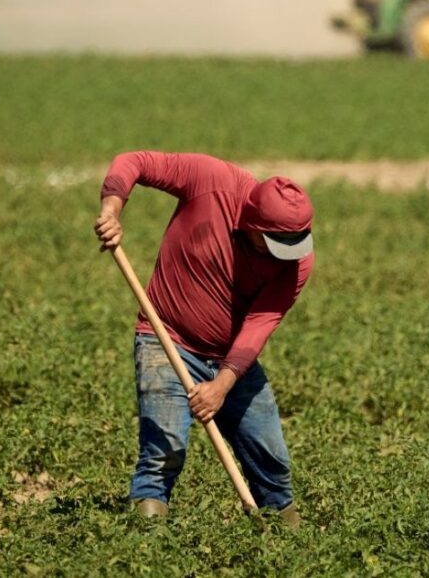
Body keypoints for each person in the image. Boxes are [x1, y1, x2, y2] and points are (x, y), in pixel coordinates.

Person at [93, 151, 314, 526]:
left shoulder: (295, 261)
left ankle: (288, 542)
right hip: (166, 340)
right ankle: (145, 544)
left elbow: (260, 323)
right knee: (165, 448)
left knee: (271, 458)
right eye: (275, 242)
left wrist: (222, 385)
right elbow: (134, 162)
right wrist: (111, 211)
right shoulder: (211, 180)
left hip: (231, 358)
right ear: (252, 223)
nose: (286, 255)